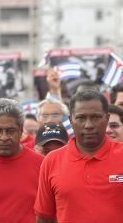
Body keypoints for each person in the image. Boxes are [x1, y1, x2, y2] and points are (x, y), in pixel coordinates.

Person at [35, 90, 123, 222]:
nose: (88, 125)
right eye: (81, 118)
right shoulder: (52, 161)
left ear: (107, 119)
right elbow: (44, 217)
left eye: (96, 117)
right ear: (71, 120)